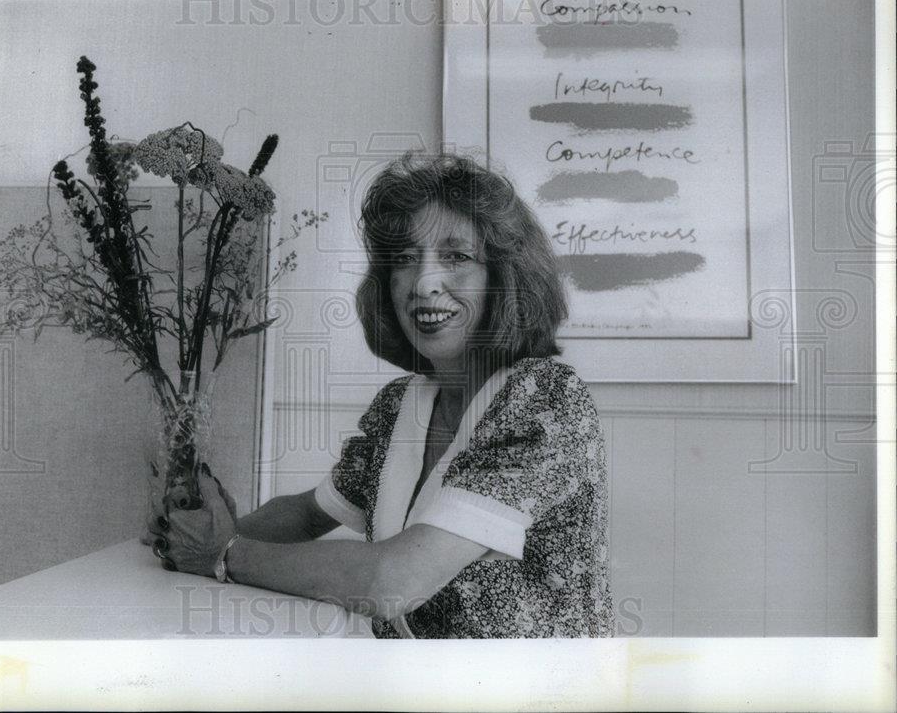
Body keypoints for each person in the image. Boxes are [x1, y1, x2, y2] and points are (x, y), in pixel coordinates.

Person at [149, 152, 614, 638]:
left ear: (504, 277)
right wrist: (192, 534)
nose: (424, 282)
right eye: (405, 259)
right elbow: (309, 514)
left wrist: (225, 555)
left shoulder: (545, 400)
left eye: (455, 256)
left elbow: (393, 582)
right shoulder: (400, 403)